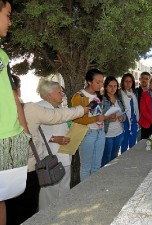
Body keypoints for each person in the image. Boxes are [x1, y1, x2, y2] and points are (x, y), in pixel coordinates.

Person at [6, 90, 89, 225]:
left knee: (60, 192)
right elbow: (55, 118)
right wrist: (81, 110)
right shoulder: (34, 108)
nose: (62, 93)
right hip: (35, 165)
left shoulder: (49, 108)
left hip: (51, 160)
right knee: (35, 203)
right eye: (58, 91)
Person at [0, 1, 30, 224]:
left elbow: (13, 96)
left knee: (3, 198)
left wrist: (25, 132)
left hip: (11, 139)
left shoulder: (3, 55)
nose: (10, 22)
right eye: (8, 15)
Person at [35, 79, 77, 210]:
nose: (62, 94)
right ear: (48, 95)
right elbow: (35, 132)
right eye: (59, 92)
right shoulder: (39, 108)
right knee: (50, 192)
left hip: (64, 154)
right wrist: (54, 138)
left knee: (64, 187)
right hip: (50, 158)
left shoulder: (58, 107)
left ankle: (62, 213)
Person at [71, 69, 106, 181]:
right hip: (87, 133)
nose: (101, 85)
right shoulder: (79, 96)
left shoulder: (98, 95)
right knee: (86, 167)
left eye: (102, 82)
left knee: (97, 166)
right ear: (89, 82)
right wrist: (96, 118)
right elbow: (76, 119)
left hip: (100, 132)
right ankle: (84, 195)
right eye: (98, 82)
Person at [101, 76, 125, 167]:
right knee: (106, 159)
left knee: (114, 157)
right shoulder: (102, 100)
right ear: (106, 86)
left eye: (115, 86)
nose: (113, 88)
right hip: (108, 134)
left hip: (119, 133)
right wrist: (110, 118)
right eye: (110, 86)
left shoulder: (118, 99)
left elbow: (123, 114)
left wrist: (122, 118)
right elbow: (98, 118)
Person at [120, 73, 139, 153]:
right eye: (126, 81)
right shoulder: (119, 94)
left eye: (130, 81)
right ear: (122, 82)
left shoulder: (134, 94)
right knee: (124, 145)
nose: (128, 83)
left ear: (132, 83)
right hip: (125, 122)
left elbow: (136, 108)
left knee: (133, 144)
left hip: (134, 122)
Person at [134, 71, 151, 141]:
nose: (144, 80)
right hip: (139, 121)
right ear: (140, 79)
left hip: (150, 121)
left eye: (146, 79)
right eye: (142, 78)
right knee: (140, 142)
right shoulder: (135, 92)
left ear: (149, 80)